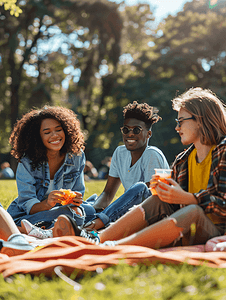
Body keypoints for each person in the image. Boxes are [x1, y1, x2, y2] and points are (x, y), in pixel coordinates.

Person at [56, 87, 226, 249]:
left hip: (217, 231)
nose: (177, 128)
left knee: (193, 211)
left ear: (201, 119)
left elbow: (222, 202)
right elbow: (172, 205)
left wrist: (190, 198)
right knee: (159, 199)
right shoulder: (183, 160)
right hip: (187, 230)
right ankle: (97, 239)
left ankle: (114, 247)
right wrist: (167, 193)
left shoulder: (223, 152)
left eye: (181, 121)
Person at [82, 101, 169, 231]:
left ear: (148, 134)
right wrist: (92, 211)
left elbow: (149, 200)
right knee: (85, 207)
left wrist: (103, 216)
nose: (130, 134)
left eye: (136, 130)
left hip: (151, 215)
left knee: (139, 187)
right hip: (125, 212)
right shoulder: (120, 153)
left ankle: (93, 225)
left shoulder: (152, 154)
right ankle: (76, 222)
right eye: (126, 129)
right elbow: (107, 194)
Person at [7, 106, 96, 232]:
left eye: (58, 130)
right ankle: (48, 227)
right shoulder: (27, 161)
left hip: (63, 211)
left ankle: (41, 230)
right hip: (30, 214)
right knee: (73, 216)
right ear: (37, 137)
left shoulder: (76, 156)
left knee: (88, 211)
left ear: (66, 130)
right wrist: (47, 204)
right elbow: (28, 203)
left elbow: (77, 192)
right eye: (47, 132)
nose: (55, 136)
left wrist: (76, 199)